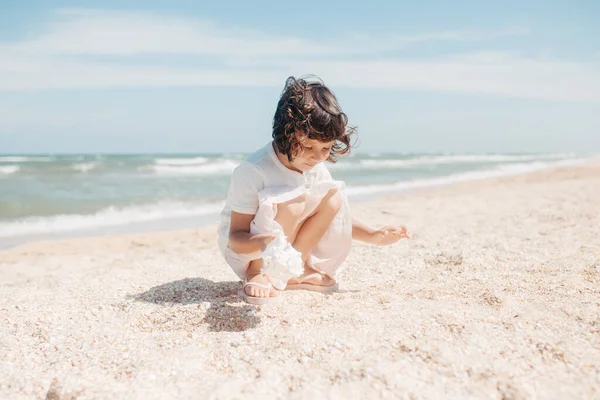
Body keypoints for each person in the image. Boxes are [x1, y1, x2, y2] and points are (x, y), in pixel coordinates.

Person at [218, 76, 409, 304]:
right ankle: (258, 274)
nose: (318, 157)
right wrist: (264, 243)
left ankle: (290, 271)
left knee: (332, 197)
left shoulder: (314, 165)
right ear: (286, 133)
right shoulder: (253, 170)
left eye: (326, 148)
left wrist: (373, 236)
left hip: (282, 250)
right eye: (308, 146)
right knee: (295, 200)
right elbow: (236, 237)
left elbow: (330, 212)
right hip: (249, 250)